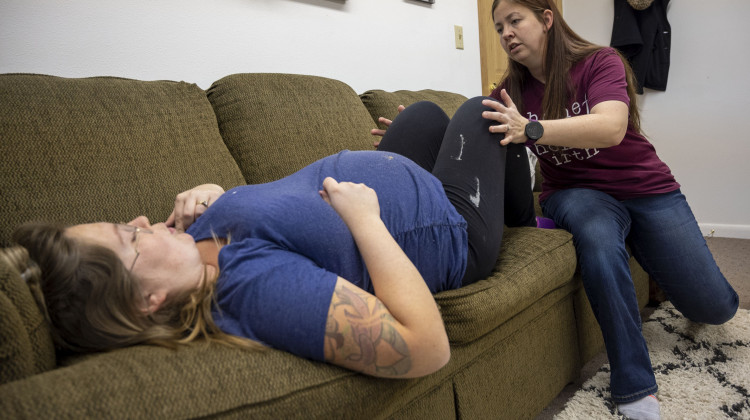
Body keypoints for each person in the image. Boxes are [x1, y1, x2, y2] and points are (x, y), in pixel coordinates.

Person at [2, 96, 540, 379]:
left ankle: (488, 182)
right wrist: (366, 220)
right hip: (450, 232)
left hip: (409, 190)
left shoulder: (195, 243)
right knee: (485, 112)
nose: (142, 221)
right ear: (149, 302)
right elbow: (426, 348)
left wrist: (216, 196)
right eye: (130, 239)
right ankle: (521, 215)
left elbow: (276, 216)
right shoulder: (251, 290)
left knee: (422, 116)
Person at [482, 0, 739, 418]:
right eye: (498, 28)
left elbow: (611, 126)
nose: (506, 33)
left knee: (715, 309)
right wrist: (415, 145)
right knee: (599, 238)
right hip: (576, 192)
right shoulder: (508, 94)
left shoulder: (600, 61)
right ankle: (633, 386)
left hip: (646, 188)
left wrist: (531, 128)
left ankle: (643, 242)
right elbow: (470, 143)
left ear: (547, 19)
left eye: (515, 20)